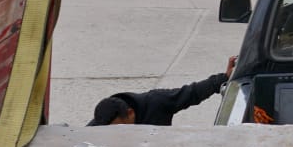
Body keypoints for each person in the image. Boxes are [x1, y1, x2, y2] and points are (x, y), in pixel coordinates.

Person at [89, 57, 236, 126]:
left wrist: (224, 78)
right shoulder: (100, 125)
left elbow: (192, 93)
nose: (115, 137)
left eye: (119, 130)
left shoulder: (156, 102)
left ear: (130, 113)